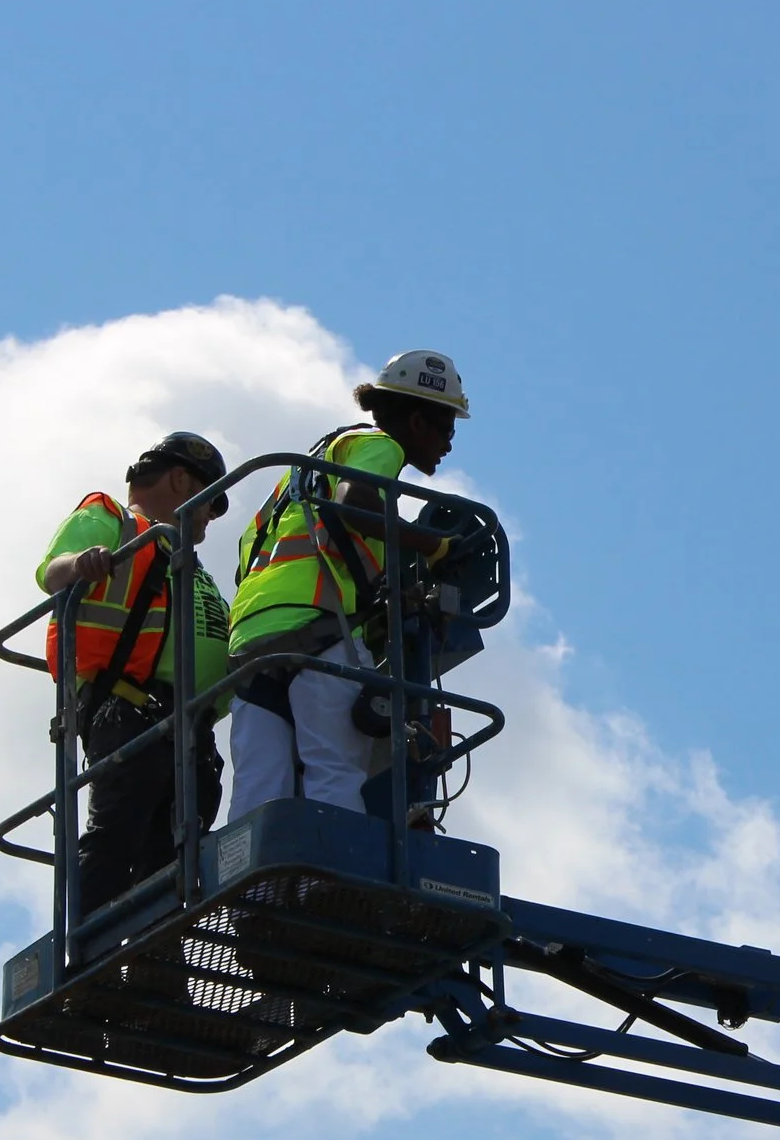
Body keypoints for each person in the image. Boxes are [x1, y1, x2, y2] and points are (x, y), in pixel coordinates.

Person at [227, 349, 468, 821]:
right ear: (417, 421)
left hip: (252, 634)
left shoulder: (297, 476)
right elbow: (353, 500)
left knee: (261, 783)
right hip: (318, 625)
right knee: (334, 768)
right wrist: (431, 544)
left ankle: (250, 887)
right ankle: (325, 884)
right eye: (448, 429)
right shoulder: (380, 444)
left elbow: (248, 550)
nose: (449, 446)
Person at [36, 431, 234, 912]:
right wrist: (80, 565)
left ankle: (154, 961)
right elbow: (52, 571)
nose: (210, 515)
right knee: (117, 834)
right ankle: (83, 953)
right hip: (128, 709)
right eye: (211, 500)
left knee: (172, 852)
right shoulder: (117, 522)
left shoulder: (186, 560)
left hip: (188, 726)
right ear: (181, 480)